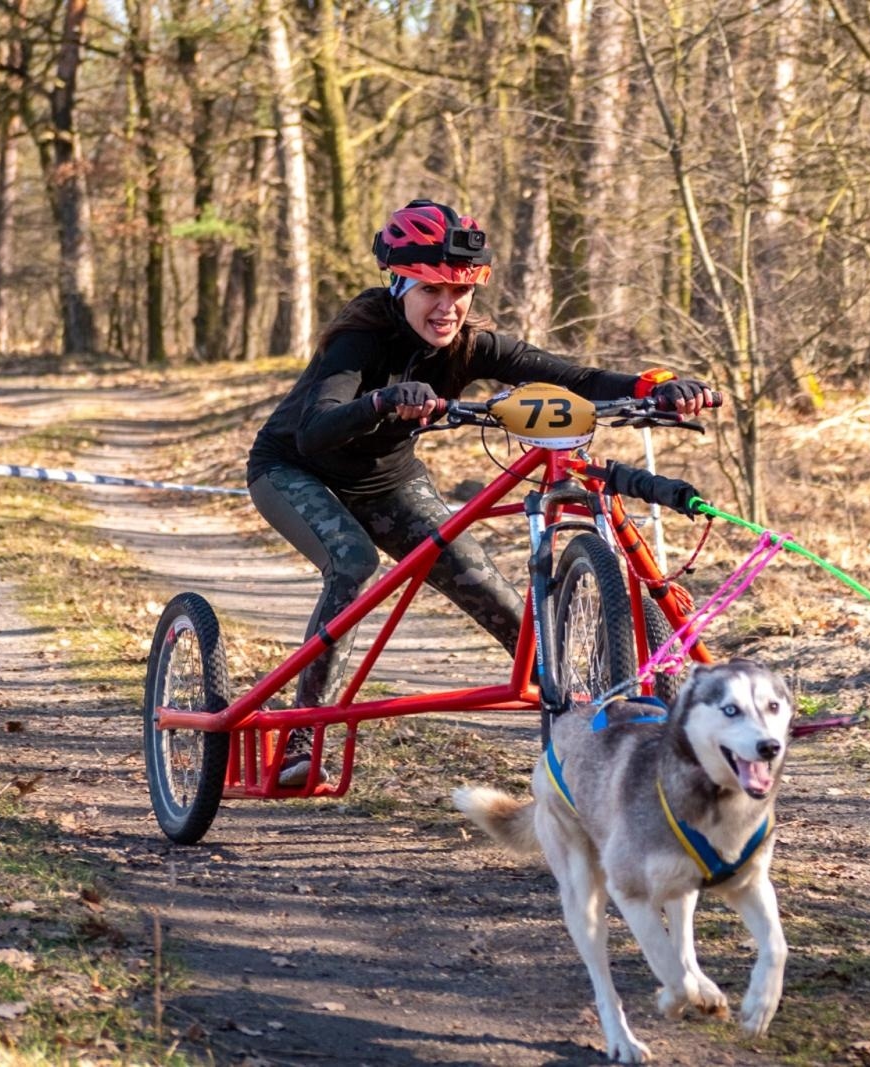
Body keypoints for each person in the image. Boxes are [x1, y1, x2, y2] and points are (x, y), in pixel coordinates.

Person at [246, 198, 716, 785]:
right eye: (431, 291)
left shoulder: (474, 345)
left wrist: (658, 386)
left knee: (489, 587)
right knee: (353, 562)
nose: (447, 307)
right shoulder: (358, 339)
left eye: (461, 292)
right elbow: (315, 430)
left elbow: (576, 378)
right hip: (293, 471)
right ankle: (300, 736)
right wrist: (382, 401)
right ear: (398, 284)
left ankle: (586, 727)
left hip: (388, 482)